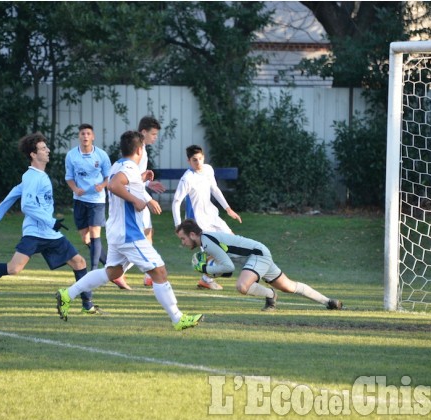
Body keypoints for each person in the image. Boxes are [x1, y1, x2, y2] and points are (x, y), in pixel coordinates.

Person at [56, 130, 203, 331]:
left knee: (112, 272)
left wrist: (142, 179)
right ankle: (178, 318)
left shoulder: (119, 164)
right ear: (139, 149)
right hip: (129, 233)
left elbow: (122, 181)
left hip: (116, 230)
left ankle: (68, 294)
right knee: (159, 271)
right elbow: (116, 185)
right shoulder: (128, 167)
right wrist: (136, 200)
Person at [0, 132, 103, 315]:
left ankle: (87, 305)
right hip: (36, 231)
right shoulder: (32, 177)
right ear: (33, 154)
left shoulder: (38, 176)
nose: (48, 150)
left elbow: (14, 192)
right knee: (13, 269)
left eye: (46, 147)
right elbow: (27, 205)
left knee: (79, 262)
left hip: (49, 232)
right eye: (43, 148)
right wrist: (51, 221)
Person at [175, 219, 343, 311]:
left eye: (183, 238)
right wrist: (212, 271)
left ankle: (270, 295)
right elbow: (225, 270)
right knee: (289, 286)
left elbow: (228, 268)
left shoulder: (207, 242)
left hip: (257, 255)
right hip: (258, 253)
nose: (182, 243)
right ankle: (328, 302)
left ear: (192, 234)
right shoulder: (207, 241)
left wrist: (204, 269)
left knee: (242, 286)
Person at [66, 123, 131, 290]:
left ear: (93, 136)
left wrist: (102, 185)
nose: (85, 136)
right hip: (80, 200)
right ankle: (112, 269)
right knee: (85, 238)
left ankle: (93, 272)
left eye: (88, 133)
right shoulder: (71, 155)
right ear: (79, 136)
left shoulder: (101, 155)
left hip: (97, 201)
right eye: (82, 133)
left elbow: (109, 177)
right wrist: (75, 189)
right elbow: (69, 177)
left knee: (95, 234)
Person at [172, 144, 242, 290]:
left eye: (200, 159)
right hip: (198, 222)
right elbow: (176, 202)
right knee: (215, 251)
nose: (198, 163)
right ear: (188, 161)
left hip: (212, 215)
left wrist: (228, 209)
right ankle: (206, 278)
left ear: (203, 157)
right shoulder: (187, 179)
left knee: (233, 241)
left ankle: (206, 277)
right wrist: (179, 226)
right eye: (194, 160)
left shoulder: (208, 169)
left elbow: (215, 189)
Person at [137, 116, 165, 287]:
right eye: (153, 134)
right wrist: (148, 199)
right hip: (136, 199)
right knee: (142, 236)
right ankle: (148, 273)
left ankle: (148, 274)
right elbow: (131, 179)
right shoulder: (139, 150)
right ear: (143, 132)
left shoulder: (142, 149)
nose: (155, 137)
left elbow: (135, 178)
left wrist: (147, 182)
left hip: (138, 196)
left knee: (147, 234)